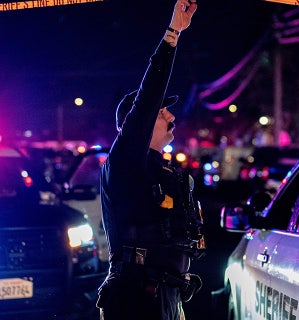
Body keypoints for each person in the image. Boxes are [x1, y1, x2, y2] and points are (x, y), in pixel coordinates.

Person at [96, 0, 204, 319]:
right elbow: (147, 97)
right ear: (137, 123)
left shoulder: (164, 169)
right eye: (160, 111)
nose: (171, 114)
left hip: (168, 296)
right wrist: (173, 33)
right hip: (135, 298)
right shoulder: (127, 158)